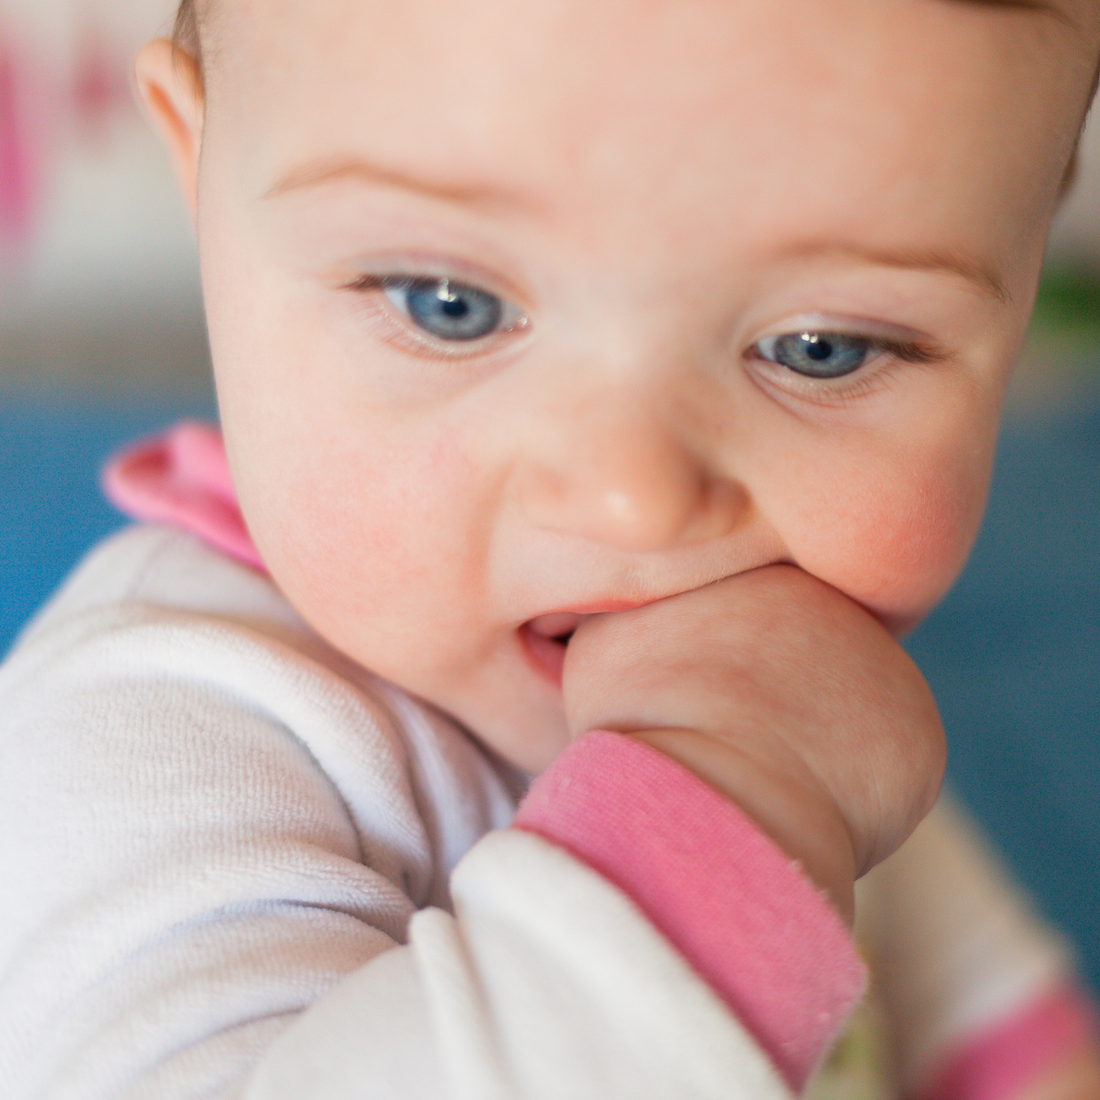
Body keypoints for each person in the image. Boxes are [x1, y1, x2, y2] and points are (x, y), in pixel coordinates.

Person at [1, 0, 1098, 1096]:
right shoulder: (158, 741)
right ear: (206, 190)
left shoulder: (790, 682)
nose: (636, 502)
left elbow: (987, 1029)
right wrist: (725, 797)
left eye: (823, 347)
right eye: (453, 304)